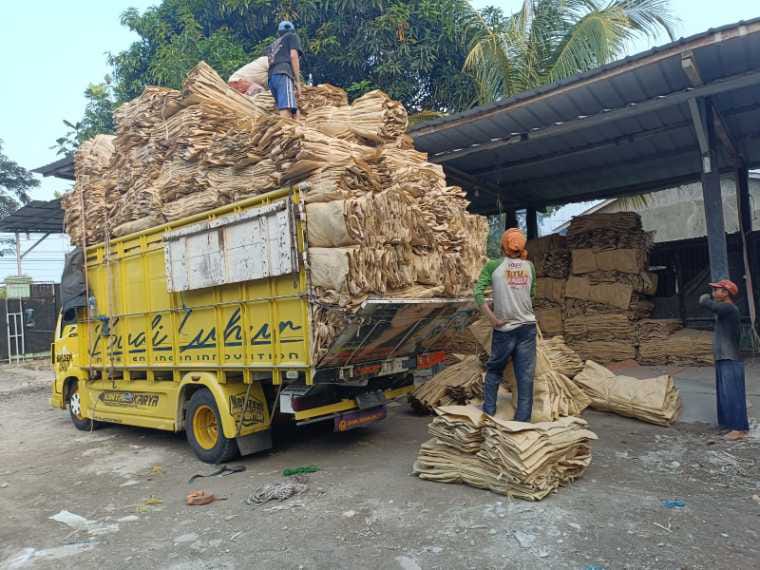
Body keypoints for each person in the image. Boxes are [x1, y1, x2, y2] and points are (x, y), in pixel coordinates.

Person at [473, 228, 537, 421]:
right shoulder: (530, 267)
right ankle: (522, 423)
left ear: (503, 245)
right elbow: (532, 294)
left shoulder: (493, 266)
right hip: (527, 327)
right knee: (525, 377)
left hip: (504, 329)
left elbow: (477, 293)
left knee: (494, 371)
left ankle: (489, 413)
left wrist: (492, 317)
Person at [699, 279, 749, 441]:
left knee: (733, 393)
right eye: (713, 290)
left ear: (726, 292)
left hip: (730, 357)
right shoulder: (725, 310)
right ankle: (728, 424)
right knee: (724, 393)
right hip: (723, 356)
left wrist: (705, 297)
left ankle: (739, 428)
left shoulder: (728, 308)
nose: (714, 293)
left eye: (717, 290)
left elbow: (707, 303)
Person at [266, 20, 304, 119]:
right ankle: (286, 132)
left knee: (292, 109)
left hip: (271, 78)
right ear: (292, 30)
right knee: (286, 108)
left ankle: (297, 128)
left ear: (279, 33)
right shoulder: (292, 36)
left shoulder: (272, 46)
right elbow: (293, 56)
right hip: (283, 73)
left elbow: (269, 62)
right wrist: (297, 81)